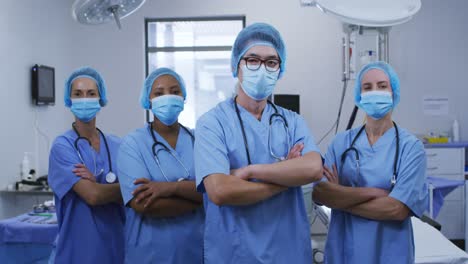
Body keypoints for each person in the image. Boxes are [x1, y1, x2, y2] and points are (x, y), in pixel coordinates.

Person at [194, 22, 323, 263]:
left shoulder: (292, 122)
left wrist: (250, 171)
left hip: (289, 253)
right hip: (235, 254)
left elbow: (313, 168)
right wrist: (285, 181)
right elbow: (220, 190)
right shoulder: (212, 123)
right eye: (252, 60)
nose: (262, 68)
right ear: (236, 66)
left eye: (271, 62)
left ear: (279, 69)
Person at [313, 61, 428, 263]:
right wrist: (374, 193)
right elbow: (321, 193)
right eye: (367, 87)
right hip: (344, 252)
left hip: (390, 254)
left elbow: (396, 209)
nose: (375, 92)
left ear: (394, 93)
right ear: (359, 95)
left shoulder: (411, 148)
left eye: (382, 86)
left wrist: (341, 198)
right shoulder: (341, 142)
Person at [117, 68, 204, 263]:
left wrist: (170, 188)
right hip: (150, 255)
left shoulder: (199, 139)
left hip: (196, 252)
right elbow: (144, 203)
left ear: (183, 97)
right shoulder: (133, 144)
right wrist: (200, 198)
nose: (168, 97)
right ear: (148, 100)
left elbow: (216, 186)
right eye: (159, 93)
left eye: (174, 91)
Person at [48, 67, 124, 263]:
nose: (84, 99)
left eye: (91, 93)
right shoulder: (62, 146)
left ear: (101, 99)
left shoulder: (117, 145)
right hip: (78, 252)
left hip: (116, 249)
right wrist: (118, 189)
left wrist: (98, 185)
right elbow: (93, 195)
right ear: (69, 100)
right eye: (78, 94)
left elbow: (137, 194)